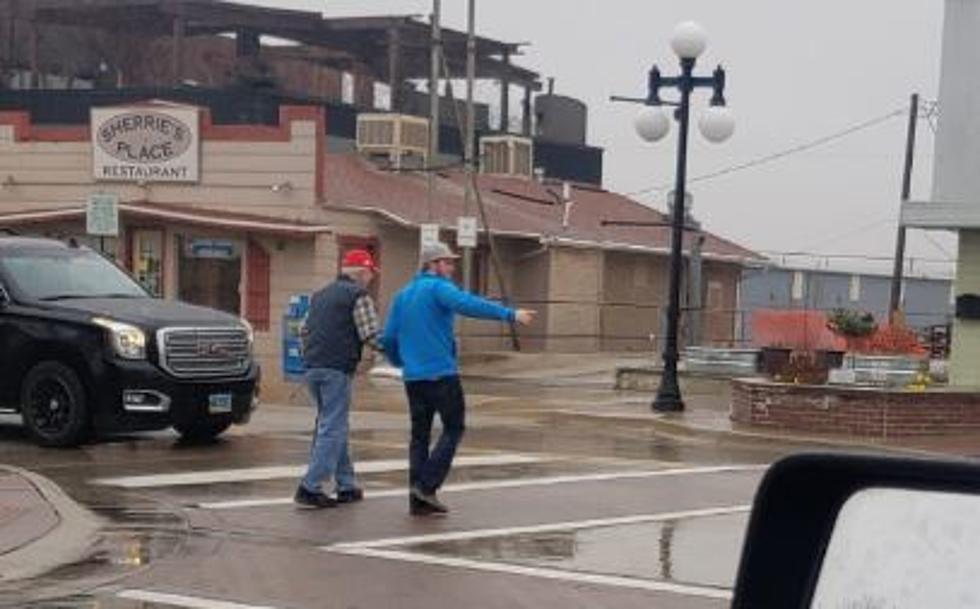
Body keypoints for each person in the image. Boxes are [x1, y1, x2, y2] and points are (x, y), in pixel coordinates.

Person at [383, 242, 535, 516]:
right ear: (432, 264)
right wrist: (510, 314)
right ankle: (427, 486)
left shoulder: (402, 295)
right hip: (441, 373)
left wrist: (400, 362)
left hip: (413, 377)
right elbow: (467, 304)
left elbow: (389, 338)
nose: (452, 268)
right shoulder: (439, 288)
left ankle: (418, 501)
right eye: (447, 262)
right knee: (454, 428)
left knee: (420, 436)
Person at [295, 249, 383, 509]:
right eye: (370, 273)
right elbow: (371, 335)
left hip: (313, 368)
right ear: (362, 272)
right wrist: (400, 352)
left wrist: (310, 358)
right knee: (332, 428)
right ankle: (310, 487)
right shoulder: (359, 296)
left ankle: (346, 485)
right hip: (337, 369)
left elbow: (303, 331)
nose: (371, 279)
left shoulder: (320, 295)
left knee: (332, 424)